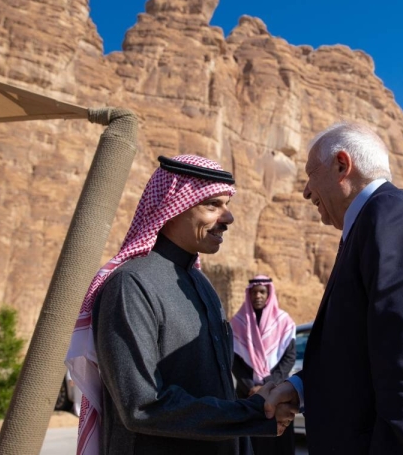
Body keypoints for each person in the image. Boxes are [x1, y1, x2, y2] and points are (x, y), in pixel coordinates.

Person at [263, 122, 403, 454]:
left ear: (342, 165)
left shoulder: (390, 216)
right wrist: (300, 388)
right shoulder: (378, 220)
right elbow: (363, 352)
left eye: (311, 174)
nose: (307, 191)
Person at [65, 155, 295, 455]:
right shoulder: (131, 285)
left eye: (226, 206)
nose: (228, 219)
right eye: (212, 205)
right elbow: (142, 405)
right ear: (172, 207)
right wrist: (250, 415)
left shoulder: (202, 286)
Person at [231, 275, 297, 455]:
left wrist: (268, 385)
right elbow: (234, 359)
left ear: (269, 294)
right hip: (248, 394)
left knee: (278, 443)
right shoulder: (237, 323)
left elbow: (289, 357)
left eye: (262, 292)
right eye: (254, 292)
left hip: (279, 393)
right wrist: (252, 387)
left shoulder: (284, 322)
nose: (258, 296)